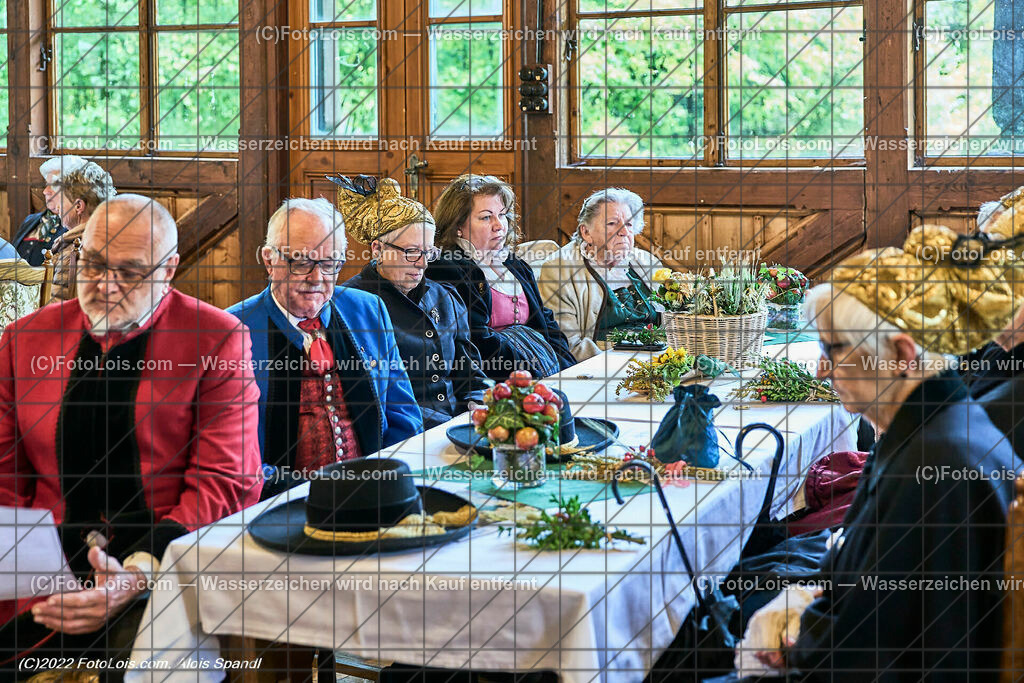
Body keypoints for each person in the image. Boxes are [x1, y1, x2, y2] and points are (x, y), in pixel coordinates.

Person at [737, 224, 1019, 680]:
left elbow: (899, 652)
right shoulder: (926, 429)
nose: (821, 369)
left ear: (902, 353)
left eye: (833, 349)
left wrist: (796, 650)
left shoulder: (936, 464)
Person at [0, 195, 263, 676]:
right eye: (94, 263)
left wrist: (136, 575)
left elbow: (226, 482)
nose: (105, 284)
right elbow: (4, 480)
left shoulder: (217, 339)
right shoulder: (23, 340)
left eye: (130, 271)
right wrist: (21, 572)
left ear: (170, 269)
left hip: (166, 567)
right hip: (39, 568)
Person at [228, 197, 422, 499]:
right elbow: (233, 455)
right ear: (269, 260)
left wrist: (388, 480)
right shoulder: (231, 331)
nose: (317, 278)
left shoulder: (368, 310)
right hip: (278, 505)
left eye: (330, 263)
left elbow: (403, 415)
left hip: (373, 492)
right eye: (302, 262)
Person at [338, 176, 489, 429]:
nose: (422, 264)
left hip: (462, 426)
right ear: (377, 249)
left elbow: (471, 374)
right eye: (411, 252)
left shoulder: (444, 296)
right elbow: (370, 398)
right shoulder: (349, 305)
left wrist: (479, 402)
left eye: (429, 252)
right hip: (403, 433)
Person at [426, 174, 576, 380]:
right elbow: (477, 342)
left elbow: (545, 321)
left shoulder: (515, 265)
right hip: (494, 381)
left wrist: (563, 365)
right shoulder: (448, 269)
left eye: (502, 215)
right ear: (458, 226)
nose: (499, 225)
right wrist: (532, 372)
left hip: (541, 370)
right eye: (486, 217)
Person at [537, 187, 663, 360]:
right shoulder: (559, 270)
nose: (624, 232)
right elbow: (568, 343)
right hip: (599, 366)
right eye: (612, 223)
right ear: (586, 232)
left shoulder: (647, 262)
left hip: (658, 359)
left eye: (629, 224)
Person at [13, 157, 115, 271]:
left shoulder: (78, 241)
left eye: (55, 185)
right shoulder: (31, 220)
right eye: (47, 184)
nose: (45, 191)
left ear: (78, 205)